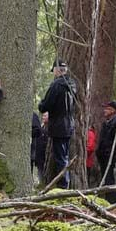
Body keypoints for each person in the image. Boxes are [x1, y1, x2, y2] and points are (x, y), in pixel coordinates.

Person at [38, 59, 77, 188]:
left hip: (59, 127)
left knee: (61, 157)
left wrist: (41, 105)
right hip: (69, 126)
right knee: (64, 155)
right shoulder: (72, 85)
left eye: (53, 71)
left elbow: (46, 105)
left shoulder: (56, 85)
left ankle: (63, 185)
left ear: (57, 70)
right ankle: (65, 183)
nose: (53, 73)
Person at [32, 112, 50, 183]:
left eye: (45, 116)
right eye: (43, 116)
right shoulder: (41, 127)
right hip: (39, 155)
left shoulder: (50, 128)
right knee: (40, 170)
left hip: (45, 154)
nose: (43, 117)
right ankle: (41, 183)